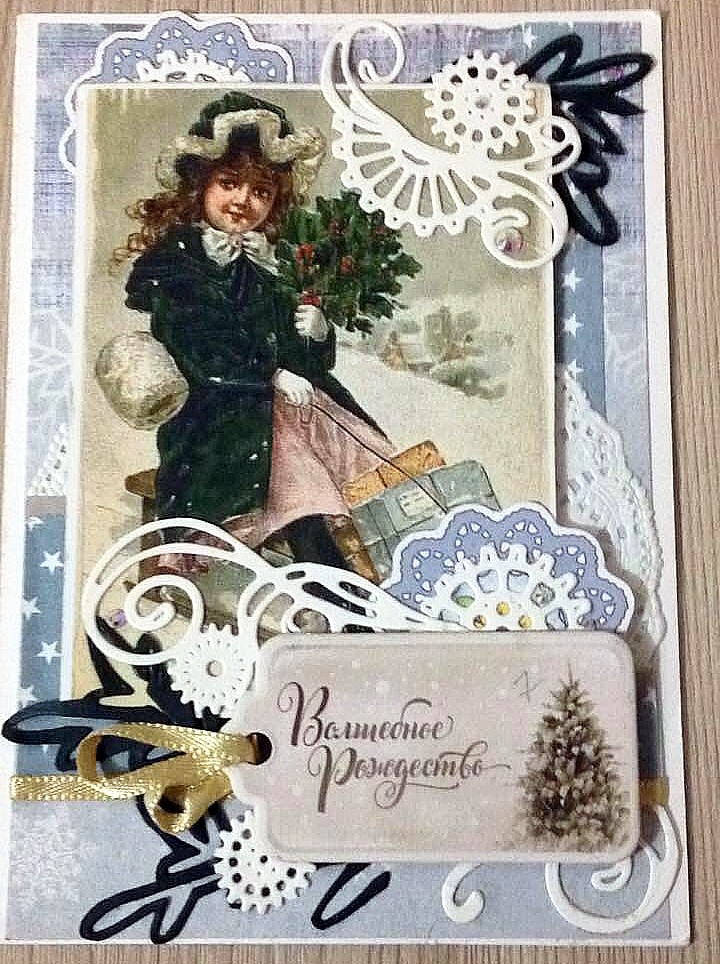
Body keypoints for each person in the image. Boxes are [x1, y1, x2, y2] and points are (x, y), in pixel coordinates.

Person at [118, 92, 395, 569]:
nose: (244, 201)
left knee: (358, 455)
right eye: (229, 183)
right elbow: (202, 351)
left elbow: (302, 360)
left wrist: (313, 334)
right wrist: (273, 375)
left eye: (261, 192)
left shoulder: (266, 262)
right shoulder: (175, 266)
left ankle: (381, 565)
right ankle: (328, 582)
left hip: (284, 409)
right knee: (300, 479)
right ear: (199, 186)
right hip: (216, 418)